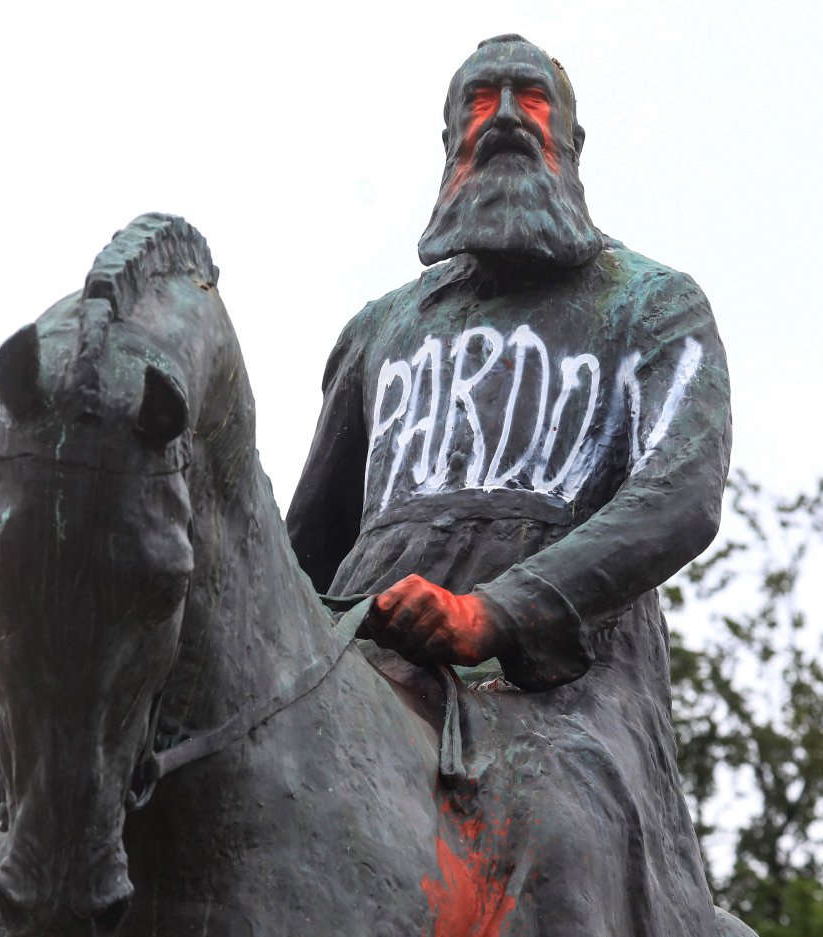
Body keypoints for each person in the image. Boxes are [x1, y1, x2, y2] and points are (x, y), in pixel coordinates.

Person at [286, 34, 731, 935]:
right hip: (364, 665)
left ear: (569, 138)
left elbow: (680, 495)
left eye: (527, 98)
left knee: (560, 834)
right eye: (477, 101)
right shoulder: (377, 331)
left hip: (563, 696)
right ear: (449, 141)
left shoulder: (653, 304)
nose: (501, 119)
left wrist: (493, 612)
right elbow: (306, 547)